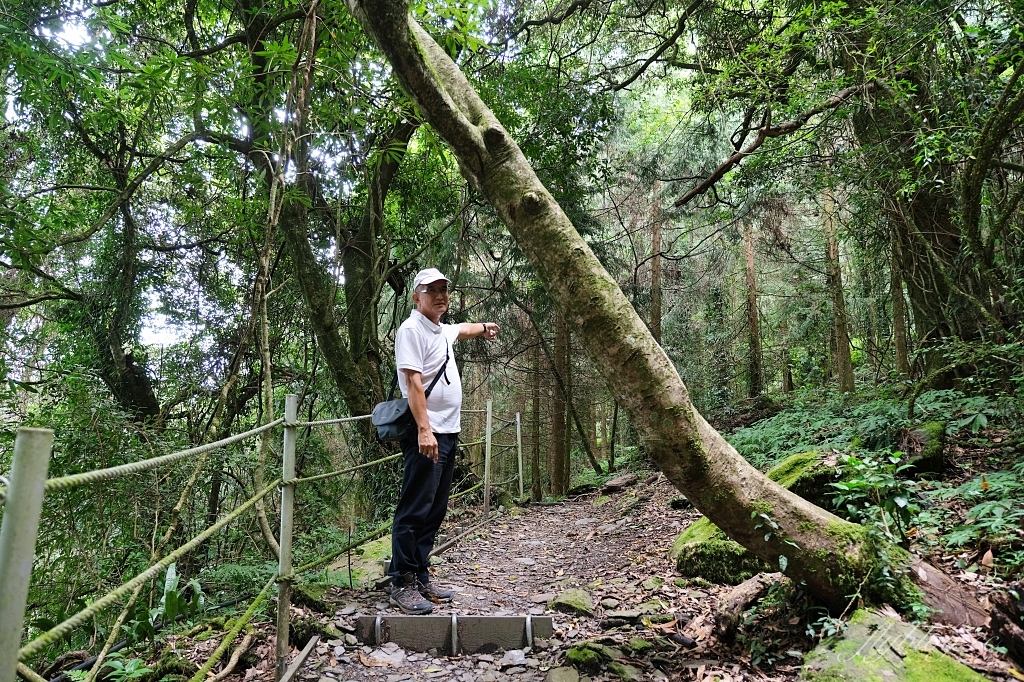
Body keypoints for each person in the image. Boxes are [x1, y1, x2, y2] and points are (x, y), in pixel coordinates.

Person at [388, 268, 499, 615]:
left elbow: (462, 329)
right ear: (415, 297)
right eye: (431, 290)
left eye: (443, 290)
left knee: (434, 509)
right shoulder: (411, 330)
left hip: (447, 431)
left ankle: (420, 573)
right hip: (428, 433)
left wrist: (484, 328)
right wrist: (424, 429)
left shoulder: (440, 329)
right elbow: (413, 383)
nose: (439, 295)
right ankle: (401, 581)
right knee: (415, 506)